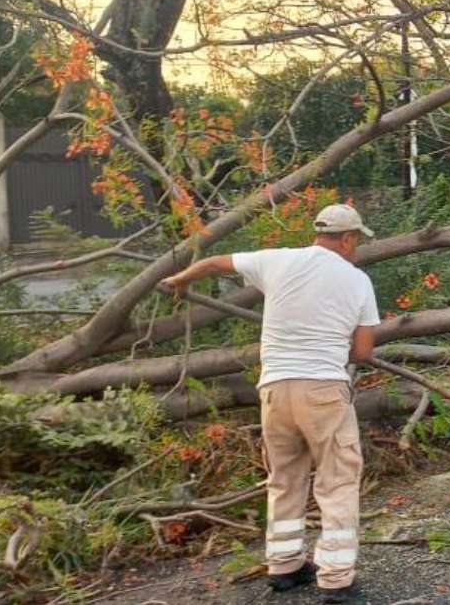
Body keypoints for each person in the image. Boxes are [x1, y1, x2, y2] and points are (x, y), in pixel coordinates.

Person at [160, 204, 380, 603]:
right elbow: (363, 352)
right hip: (323, 390)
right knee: (337, 481)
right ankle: (336, 579)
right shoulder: (358, 281)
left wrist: (178, 279)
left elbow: (213, 263)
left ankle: (285, 566)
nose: (357, 247)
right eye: (357, 240)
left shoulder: (276, 260)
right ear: (348, 239)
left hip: (275, 390)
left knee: (284, 478)